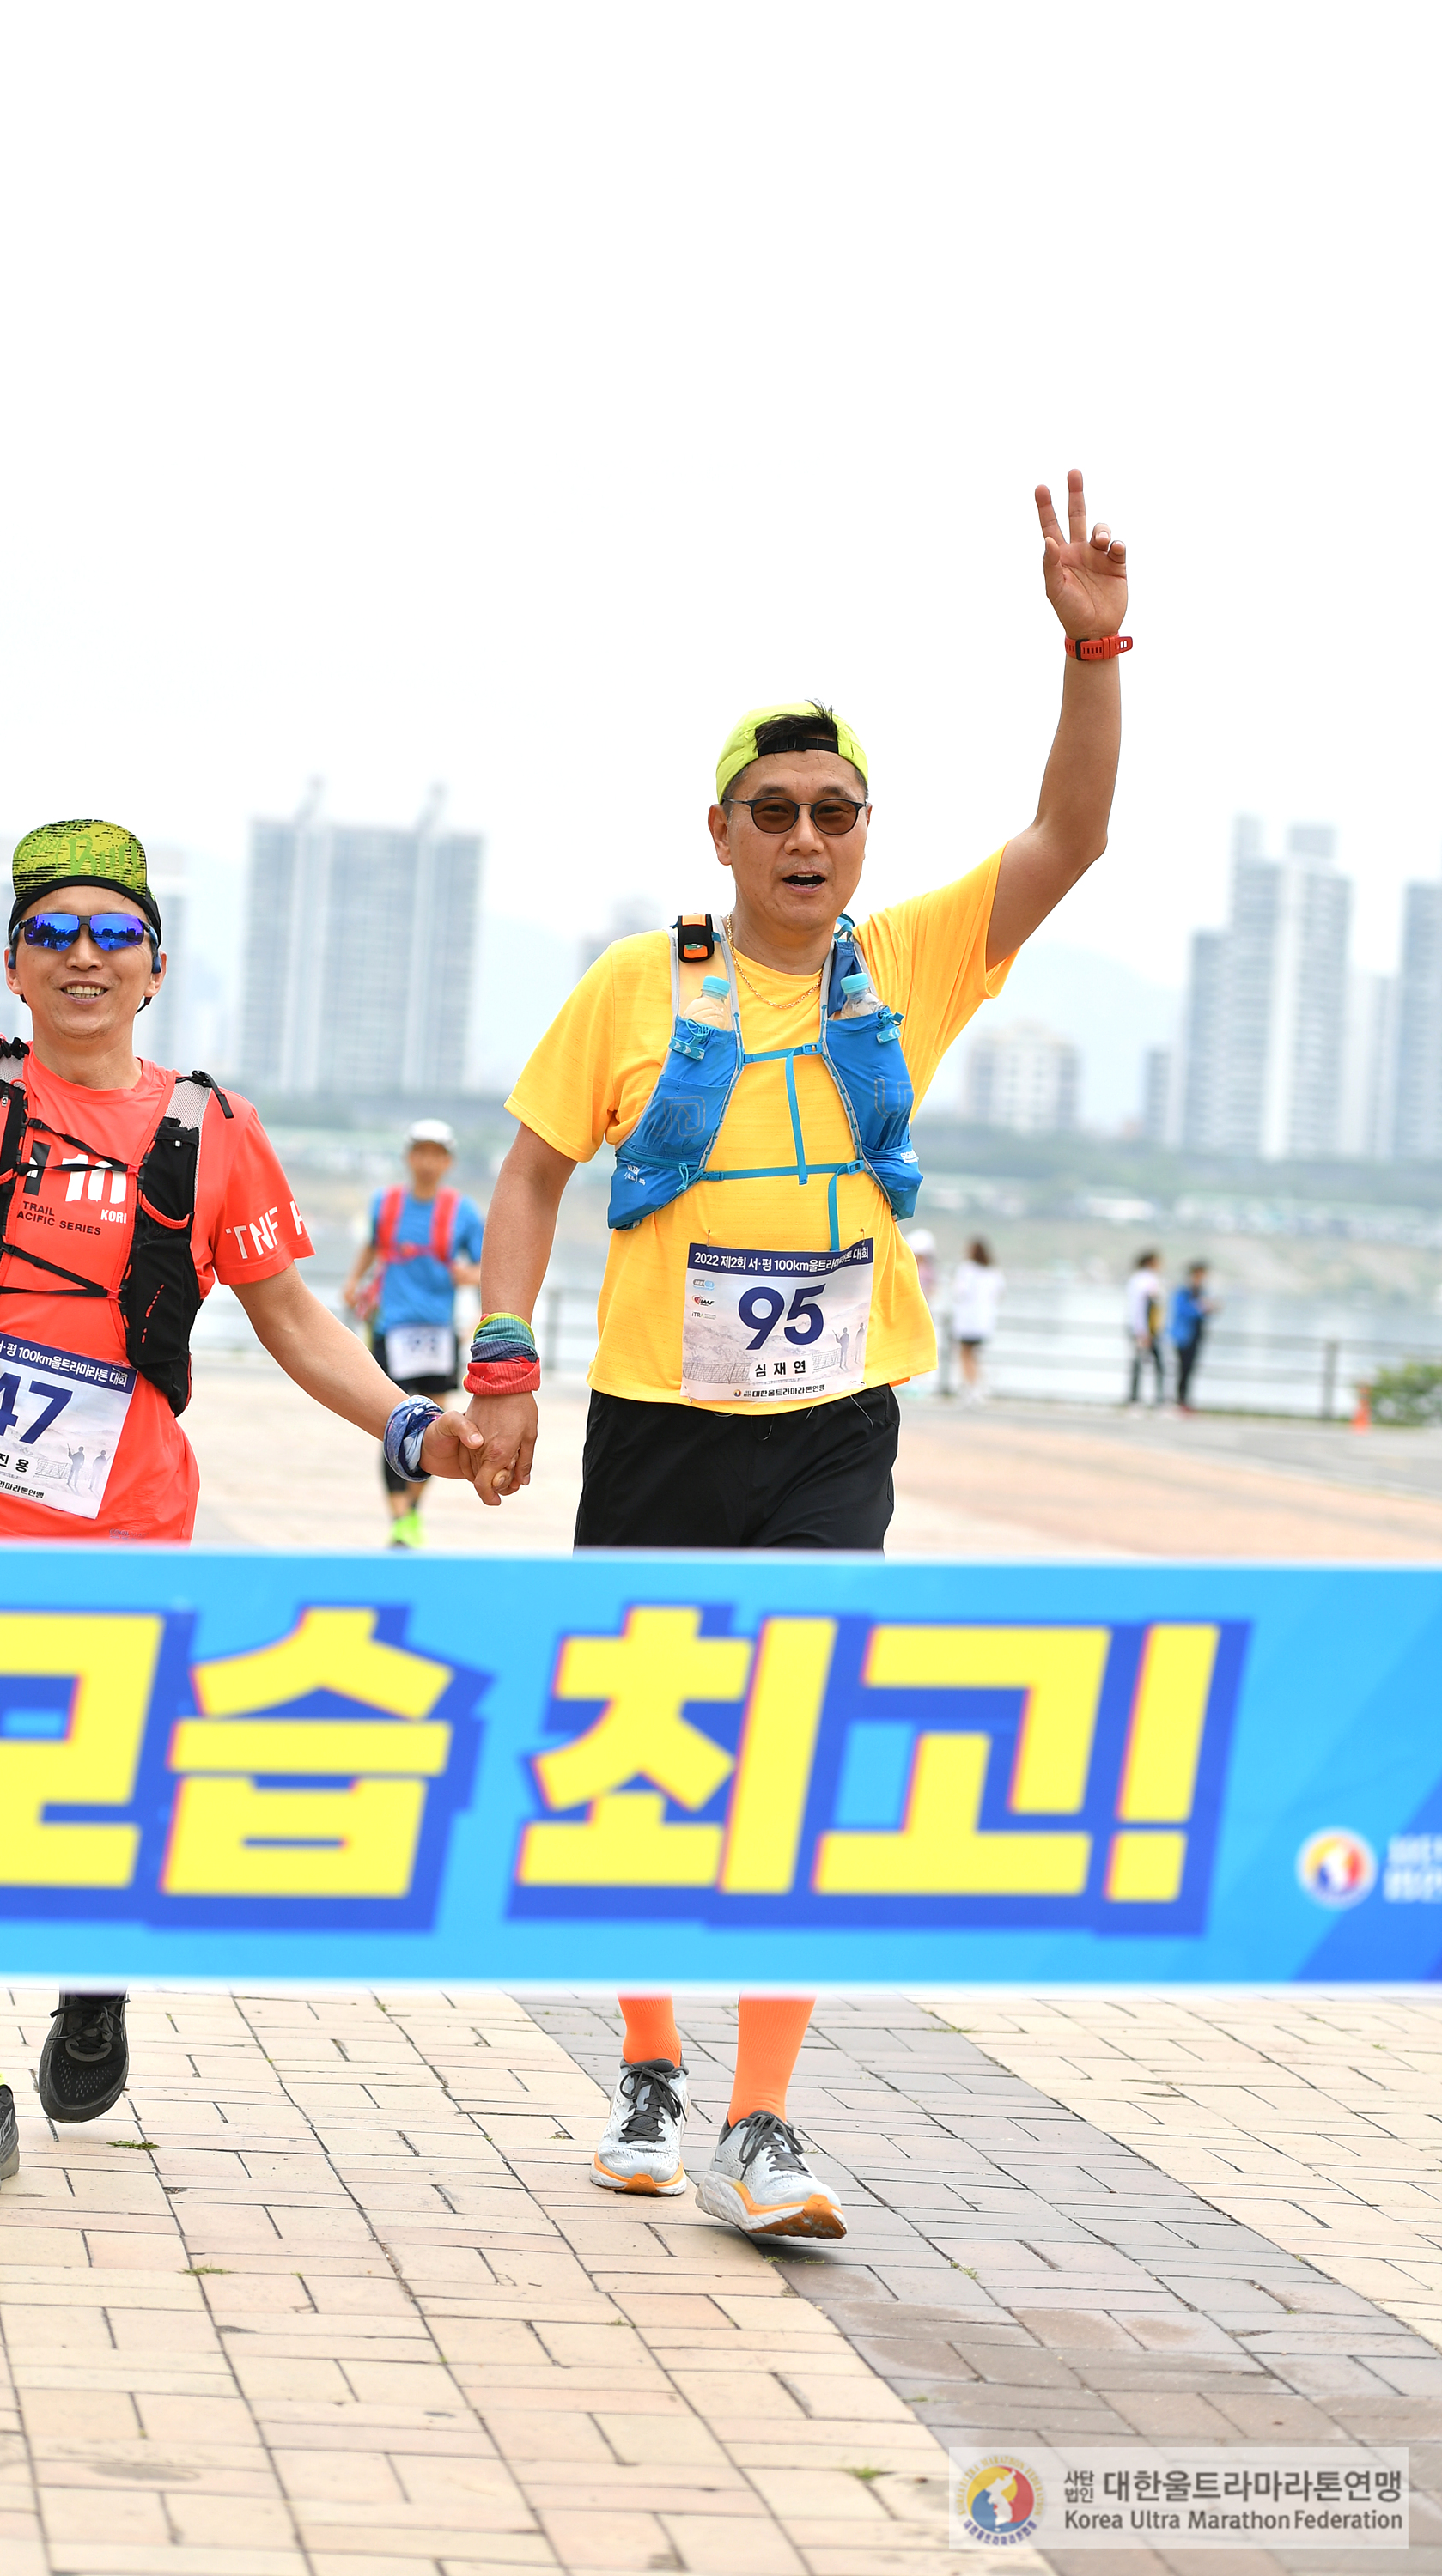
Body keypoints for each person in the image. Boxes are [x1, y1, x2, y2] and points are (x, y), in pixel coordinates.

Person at [461, 469, 1129, 2240]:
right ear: (721, 831)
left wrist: (1091, 653)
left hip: (835, 1424)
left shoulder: (905, 963)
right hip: (660, 1422)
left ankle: (761, 2120)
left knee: (801, 1758)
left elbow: (1069, 839)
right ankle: (648, 2066)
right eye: (776, 812)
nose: (807, 837)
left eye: (835, 811)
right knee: (644, 1749)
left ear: (864, 834)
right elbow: (529, 1172)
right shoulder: (637, 982)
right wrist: (503, 1361)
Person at [0, 744, 485, 2200]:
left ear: (154, 966)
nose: (84, 956)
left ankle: (96, 1965)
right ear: (12, 964)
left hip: (125, 1528)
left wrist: (411, 1426)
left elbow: (293, 1320)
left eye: (113, 932)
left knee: (97, 1799)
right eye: (54, 932)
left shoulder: (211, 1131)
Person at [341, 1118, 483, 1546]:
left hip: (438, 1333)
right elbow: (372, 1246)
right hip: (392, 1330)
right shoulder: (385, 1204)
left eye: (436, 1154)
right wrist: (353, 1281)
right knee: (392, 1424)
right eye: (420, 1152)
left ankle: (413, 1513)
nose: (427, 1162)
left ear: (448, 1162)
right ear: (408, 1157)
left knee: (436, 1428)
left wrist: (471, 1278)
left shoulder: (463, 1212)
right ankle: (399, 1516)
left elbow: (487, 1266)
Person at [948, 1236, 1004, 1404]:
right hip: (983, 1322)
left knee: (965, 1355)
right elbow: (999, 1293)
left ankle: (970, 1389)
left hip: (967, 1321)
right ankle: (978, 1388)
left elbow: (959, 1291)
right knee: (975, 1356)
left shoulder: (966, 1269)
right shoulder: (993, 1271)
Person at [1168, 1260, 1216, 1412]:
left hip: (1196, 1335)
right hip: (1184, 1336)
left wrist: (1209, 1309)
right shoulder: (1184, 1292)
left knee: (1190, 1369)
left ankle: (1184, 1400)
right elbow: (1183, 1311)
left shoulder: (1200, 1292)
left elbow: (1202, 1313)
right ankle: (1179, 1400)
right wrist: (1201, 1309)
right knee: (1183, 1367)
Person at [1124, 1248, 1165, 1406]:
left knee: (1139, 1363)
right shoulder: (1147, 1281)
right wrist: (1143, 1332)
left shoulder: (1136, 1279)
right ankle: (1155, 1400)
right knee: (1153, 1365)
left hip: (1140, 1328)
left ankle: (1135, 1399)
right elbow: (1143, 1308)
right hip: (1145, 1330)